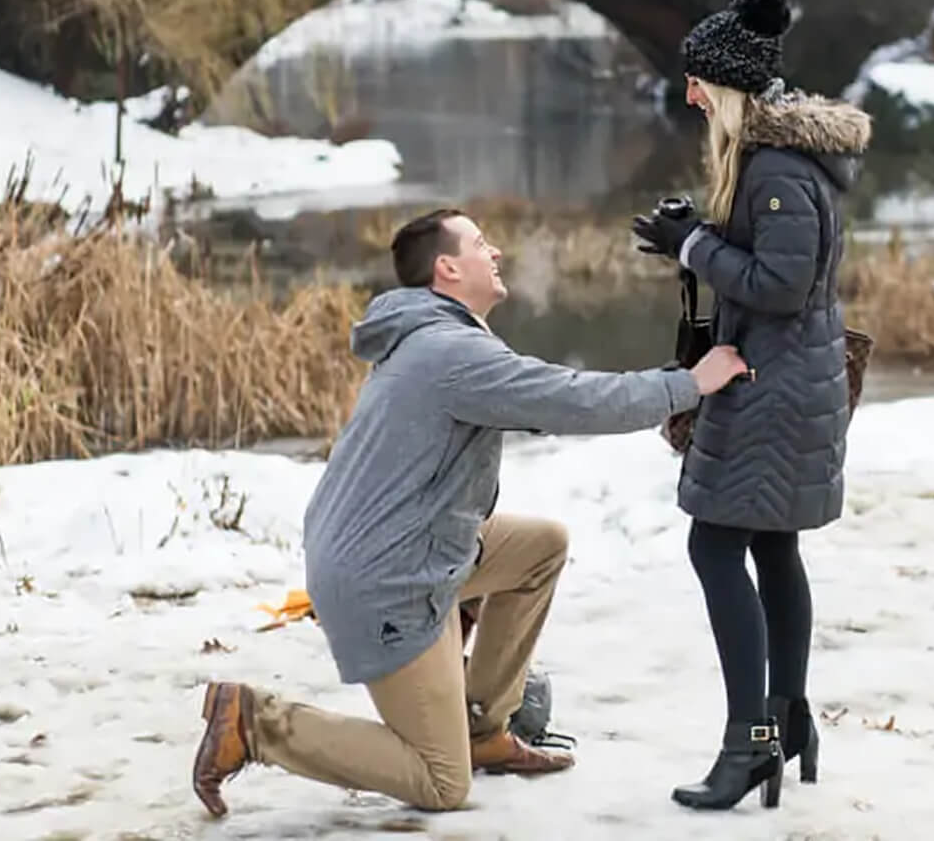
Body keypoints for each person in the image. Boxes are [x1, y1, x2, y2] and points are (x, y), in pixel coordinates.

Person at [192, 207, 747, 819]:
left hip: (408, 545)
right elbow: (570, 399)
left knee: (541, 547)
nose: (497, 253)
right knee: (440, 781)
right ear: (447, 268)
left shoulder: (437, 339)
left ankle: (484, 728)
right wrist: (689, 383)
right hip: (385, 579)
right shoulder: (448, 352)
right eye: (482, 244)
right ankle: (255, 724)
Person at [632, 0, 870, 813]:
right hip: (787, 380)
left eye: (699, 81)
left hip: (770, 388)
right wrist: (693, 234)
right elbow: (774, 261)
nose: (689, 93)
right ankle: (789, 719)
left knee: (714, 549)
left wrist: (693, 243)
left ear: (729, 86)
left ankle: (750, 743)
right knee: (771, 550)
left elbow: (779, 284)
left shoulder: (772, 169)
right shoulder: (781, 164)